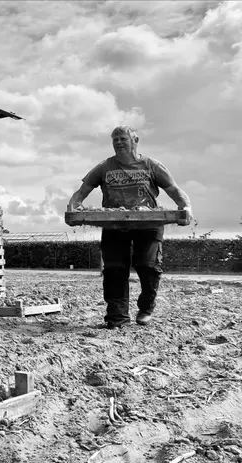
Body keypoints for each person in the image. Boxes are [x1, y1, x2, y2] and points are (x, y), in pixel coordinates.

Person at [68, 126, 193, 328]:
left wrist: (186, 207)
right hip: (115, 224)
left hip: (148, 224)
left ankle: (145, 308)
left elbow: (173, 189)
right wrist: (73, 207)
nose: (118, 142)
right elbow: (83, 190)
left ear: (135, 140)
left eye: (122, 138)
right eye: (115, 139)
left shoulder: (151, 165)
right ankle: (117, 318)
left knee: (148, 267)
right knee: (114, 270)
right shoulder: (104, 167)